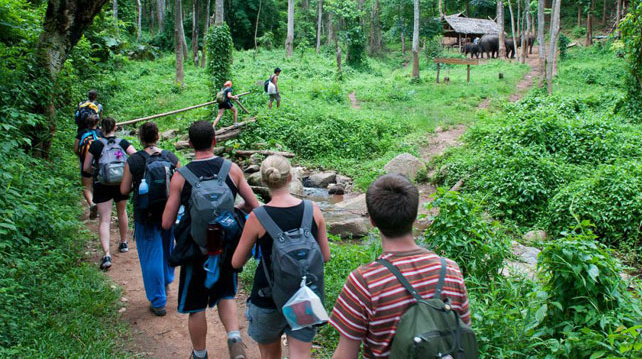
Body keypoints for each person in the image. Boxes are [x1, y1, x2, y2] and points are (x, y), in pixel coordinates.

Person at [329, 174, 472, 358]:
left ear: (371, 221)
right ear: (414, 216)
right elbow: (464, 333)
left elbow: (345, 355)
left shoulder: (363, 282)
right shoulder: (451, 270)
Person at [162, 121, 261, 359]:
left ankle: (199, 354)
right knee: (225, 294)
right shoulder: (232, 169)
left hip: (195, 251)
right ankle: (234, 338)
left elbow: (166, 222)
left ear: (190, 144)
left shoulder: (181, 177)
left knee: (196, 307)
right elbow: (254, 206)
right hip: (225, 247)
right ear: (215, 140)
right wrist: (232, 211)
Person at [232, 155, 331, 359]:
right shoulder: (312, 209)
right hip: (304, 294)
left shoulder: (257, 217)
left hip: (267, 297)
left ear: (264, 180)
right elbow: (325, 256)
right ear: (290, 178)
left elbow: (237, 261)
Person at [120, 122, 180, 317]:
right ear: (158, 136)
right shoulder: (170, 157)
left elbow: (123, 190)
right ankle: (166, 280)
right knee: (166, 247)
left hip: (144, 215)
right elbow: (183, 180)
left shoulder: (135, 160)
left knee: (150, 255)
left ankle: (158, 300)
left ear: (140, 138)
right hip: (168, 212)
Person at [83, 117, 136, 271]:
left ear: (101, 128)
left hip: (102, 184)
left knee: (104, 219)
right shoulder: (123, 142)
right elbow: (136, 156)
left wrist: (98, 172)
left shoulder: (96, 144)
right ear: (115, 127)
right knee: (122, 212)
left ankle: (106, 254)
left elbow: (86, 167)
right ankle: (124, 242)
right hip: (121, 182)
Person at [75, 114, 100, 219]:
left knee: (86, 187)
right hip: (99, 164)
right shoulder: (101, 133)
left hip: (85, 163)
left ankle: (92, 204)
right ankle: (100, 205)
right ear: (97, 122)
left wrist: (81, 157)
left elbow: (76, 149)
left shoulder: (81, 133)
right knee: (98, 186)